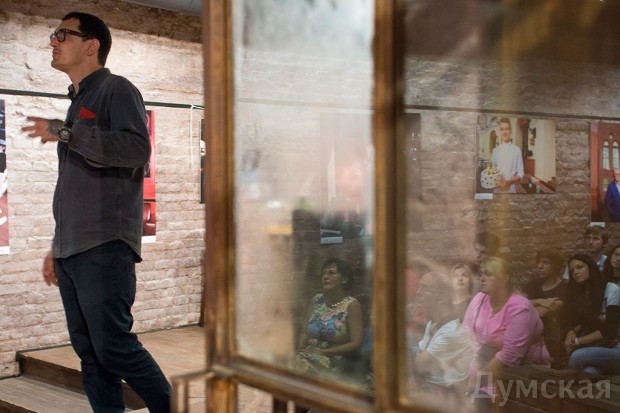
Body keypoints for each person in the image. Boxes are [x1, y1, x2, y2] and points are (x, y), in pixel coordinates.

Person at [21, 12, 171, 413]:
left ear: (92, 45)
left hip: (105, 245)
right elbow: (75, 189)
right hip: (73, 249)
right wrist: (57, 245)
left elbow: (136, 150)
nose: (53, 41)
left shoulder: (116, 89)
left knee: (114, 347)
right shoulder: (79, 101)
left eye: (63, 34)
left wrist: (67, 132)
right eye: (54, 35)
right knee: (90, 354)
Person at [462, 257, 550, 409]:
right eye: (481, 273)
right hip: (480, 365)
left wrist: (475, 381)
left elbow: (510, 355)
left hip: (513, 375)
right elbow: (466, 334)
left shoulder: (519, 307)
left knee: (475, 403)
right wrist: (466, 371)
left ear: (504, 279)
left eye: (489, 274)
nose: (482, 278)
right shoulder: (480, 298)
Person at [409, 270, 476, 413]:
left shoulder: (451, 332)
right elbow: (417, 354)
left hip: (449, 402)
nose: (418, 293)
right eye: (419, 287)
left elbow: (418, 366)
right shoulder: (432, 324)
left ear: (441, 297)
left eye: (425, 288)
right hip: (431, 393)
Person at [293, 258, 364, 381]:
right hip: (307, 354)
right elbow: (305, 330)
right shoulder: (317, 300)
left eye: (331, 273)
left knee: (297, 365)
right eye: (324, 273)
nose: (326, 277)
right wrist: (301, 345)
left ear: (344, 279)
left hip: (334, 359)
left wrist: (323, 352)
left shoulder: (351, 305)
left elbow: (356, 343)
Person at [563, 254, 620, 375]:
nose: (575, 272)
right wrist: (571, 332)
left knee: (577, 356)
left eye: (580, 267)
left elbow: (610, 330)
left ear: (591, 267)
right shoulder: (581, 294)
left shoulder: (611, 290)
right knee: (590, 372)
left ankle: (566, 384)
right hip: (598, 348)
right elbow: (583, 321)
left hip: (616, 346)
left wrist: (576, 342)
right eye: (572, 271)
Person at [522, 249, 568, 368]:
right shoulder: (534, 283)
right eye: (538, 262)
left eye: (545, 262)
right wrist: (540, 301)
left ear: (556, 266)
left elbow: (541, 313)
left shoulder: (564, 288)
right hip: (525, 333)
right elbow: (516, 303)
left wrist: (527, 305)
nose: (539, 266)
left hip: (548, 339)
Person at [491, 117, 524, 193]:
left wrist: (508, 182)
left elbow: (521, 172)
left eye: (507, 129)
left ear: (510, 130)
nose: (504, 132)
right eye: (502, 129)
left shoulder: (517, 150)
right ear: (499, 131)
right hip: (497, 189)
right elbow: (493, 170)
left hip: (511, 189)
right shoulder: (495, 150)